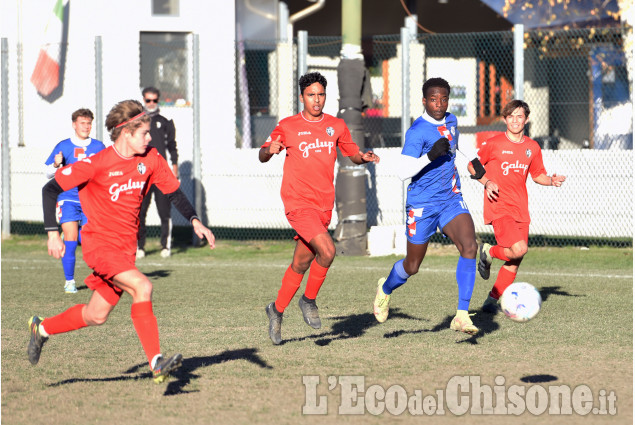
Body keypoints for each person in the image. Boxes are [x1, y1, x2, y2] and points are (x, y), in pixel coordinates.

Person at [29, 99, 215, 383]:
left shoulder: (151, 158)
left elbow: (173, 192)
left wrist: (194, 219)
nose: (150, 138)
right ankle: (156, 363)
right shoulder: (96, 164)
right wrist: (52, 232)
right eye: (145, 133)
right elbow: (49, 189)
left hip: (125, 250)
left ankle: (41, 329)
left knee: (96, 315)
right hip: (100, 247)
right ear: (126, 132)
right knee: (143, 286)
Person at [259, 72, 380, 345]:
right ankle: (308, 300)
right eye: (311, 95)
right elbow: (263, 153)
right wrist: (270, 149)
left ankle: (276, 310)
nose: (316, 100)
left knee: (301, 262)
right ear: (302, 97)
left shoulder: (336, 125)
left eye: (321, 94)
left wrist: (363, 157)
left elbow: (351, 153)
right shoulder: (288, 125)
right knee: (327, 250)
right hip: (298, 203)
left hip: (323, 206)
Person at [373, 77, 486, 335]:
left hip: (450, 199)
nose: (439, 104)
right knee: (412, 266)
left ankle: (461, 315)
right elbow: (402, 172)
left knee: (469, 246)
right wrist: (430, 155)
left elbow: (457, 140)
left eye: (443, 99)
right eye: (433, 99)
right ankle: (385, 289)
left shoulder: (451, 119)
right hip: (422, 205)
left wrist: (475, 159)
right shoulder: (417, 132)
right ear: (424, 101)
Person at [467, 100, 566, 313]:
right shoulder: (494, 143)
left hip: (520, 209)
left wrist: (551, 180)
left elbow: (538, 175)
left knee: (515, 259)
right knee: (519, 249)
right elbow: (472, 164)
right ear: (504, 119)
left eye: (519, 116)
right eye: (510, 116)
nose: (514, 120)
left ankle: (491, 302)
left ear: (526, 119)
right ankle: (490, 251)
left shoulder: (532, 147)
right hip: (499, 206)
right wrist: (486, 182)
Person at [44, 109, 106, 293]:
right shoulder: (64, 146)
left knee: (90, 241)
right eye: (82, 123)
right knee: (70, 240)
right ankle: (69, 281)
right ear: (74, 125)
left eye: (88, 123)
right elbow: (47, 173)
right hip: (68, 198)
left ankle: (99, 277)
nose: (86, 126)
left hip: (91, 199)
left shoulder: (99, 147)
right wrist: (56, 165)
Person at [136, 87, 179, 259]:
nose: (151, 103)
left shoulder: (165, 121)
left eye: (155, 100)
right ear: (143, 100)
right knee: (140, 211)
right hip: (142, 174)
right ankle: (140, 247)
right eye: (148, 100)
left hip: (161, 174)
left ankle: (165, 246)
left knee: (164, 211)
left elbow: (172, 146)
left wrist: (174, 169)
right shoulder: (137, 122)